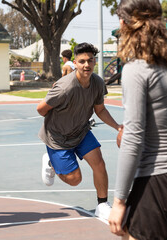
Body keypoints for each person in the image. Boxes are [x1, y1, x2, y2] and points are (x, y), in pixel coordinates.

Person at [108, 0, 167, 239]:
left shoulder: (137, 69)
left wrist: (119, 200)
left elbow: (133, 137)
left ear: (124, 24)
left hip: (159, 178)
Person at [37, 43, 123, 220]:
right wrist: (58, 122)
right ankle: (51, 162)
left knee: (99, 163)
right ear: (74, 63)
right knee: (75, 179)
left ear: (94, 62)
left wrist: (117, 127)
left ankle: (102, 205)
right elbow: (41, 109)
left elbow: (100, 110)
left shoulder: (98, 83)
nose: (86, 65)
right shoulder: (65, 87)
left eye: (90, 60)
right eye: (82, 61)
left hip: (81, 131)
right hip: (58, 138)